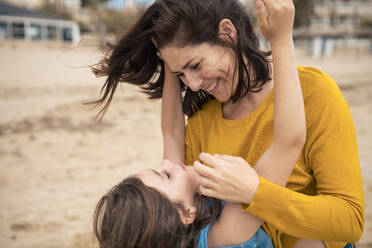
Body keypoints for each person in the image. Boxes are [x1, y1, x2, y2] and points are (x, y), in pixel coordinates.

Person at [92, 0, 364, 247]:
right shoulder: (201, 124)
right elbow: (287, 141)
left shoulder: (313, 92)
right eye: (181, 74)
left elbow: (350, 223)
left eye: (195, 65)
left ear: (227, 33)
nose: (194, 84)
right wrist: (281, 41)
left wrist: (169, 65)